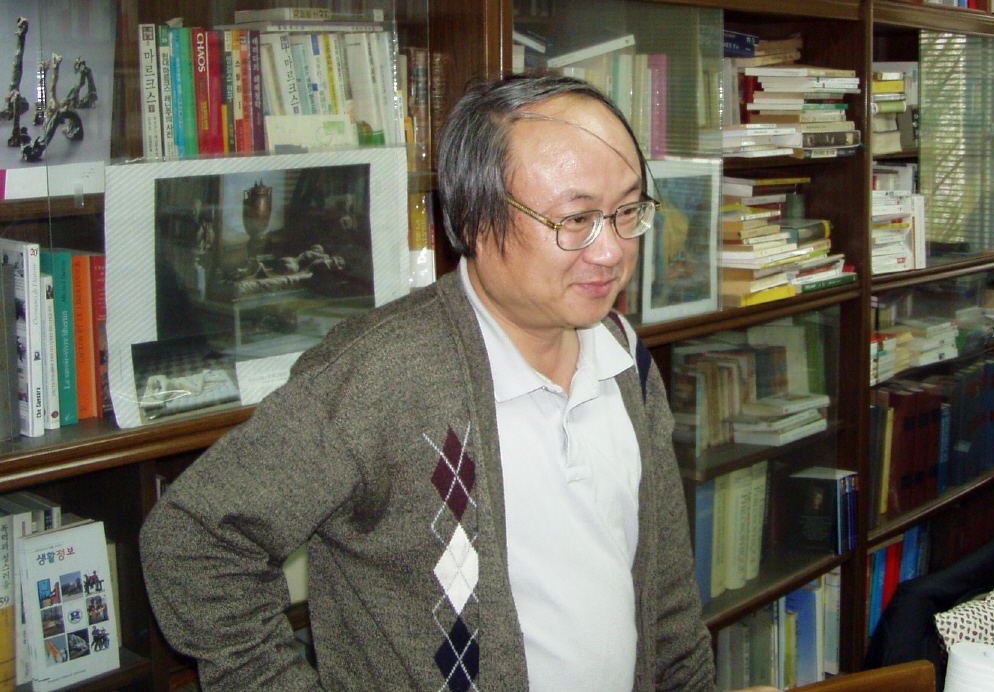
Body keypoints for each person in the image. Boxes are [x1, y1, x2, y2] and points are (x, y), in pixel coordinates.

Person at [141, 75, 775, 692]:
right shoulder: (382, 375)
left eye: (627, 211)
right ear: (474, 219)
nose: (610, 251)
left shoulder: (623, 355)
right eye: (576, 219)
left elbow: (666, 594)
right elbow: (192, 542)